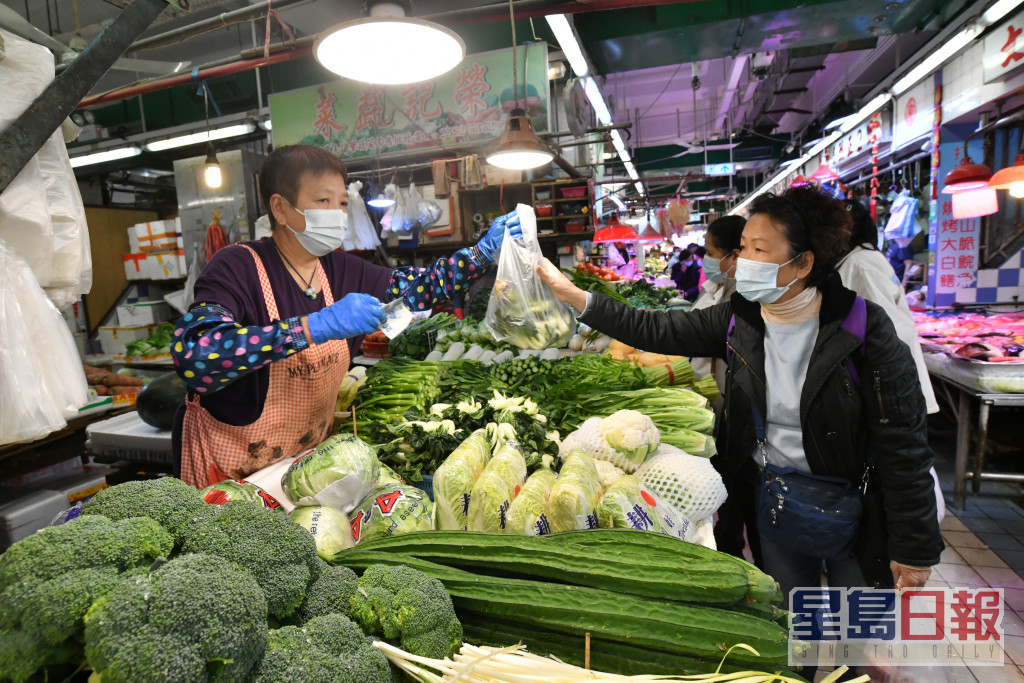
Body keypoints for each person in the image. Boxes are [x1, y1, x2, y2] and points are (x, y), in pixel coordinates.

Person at [536, 186, 943, 605]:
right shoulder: (739, 319)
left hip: (856, 509)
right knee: (793, 621)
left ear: (803, 262)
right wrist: (573, 295)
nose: (742, 260)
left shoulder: (863, 328)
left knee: (853, 628)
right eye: (743, 247)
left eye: (759, 250)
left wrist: (914, 546)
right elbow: (653, 328)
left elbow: (904, 442)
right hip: (777, 503)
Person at [170, 145, 520, 489]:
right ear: (280, 207)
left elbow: (421, 288)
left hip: (304, 466)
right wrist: (313, 326)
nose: (336, 214)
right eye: (323, 201)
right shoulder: (237, 266)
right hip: (231, 468)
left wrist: (480, 253)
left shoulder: (340, 268)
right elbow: (196, 355)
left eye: (341, 203)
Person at [687, 216, 760, 563]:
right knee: (730, 497)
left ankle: (745, 558)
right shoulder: (719, 289)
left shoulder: (748, 300)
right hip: (718, 409)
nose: (707, 259)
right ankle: (730, 550)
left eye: (710, 252)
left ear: (733, 255)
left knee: (743, 496)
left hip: (739, 416)